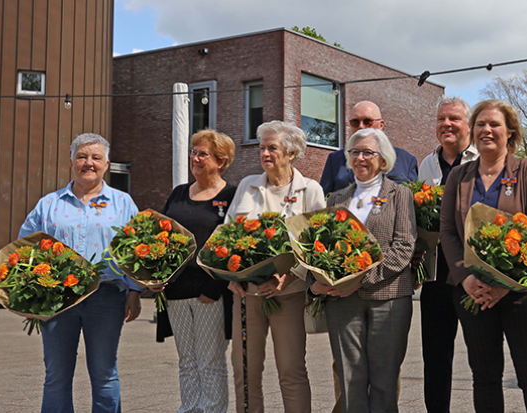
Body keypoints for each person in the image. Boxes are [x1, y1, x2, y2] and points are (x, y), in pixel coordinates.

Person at [439, 99, 527, 413]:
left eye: (494, 124)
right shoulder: (458, 177)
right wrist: (465, 277)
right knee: (485, 376)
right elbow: (448, 230)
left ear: (510, 132)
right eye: (480, 124)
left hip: (522, 294)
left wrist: (507, 283)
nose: (486, 130)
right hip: (472, 293)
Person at [19, 133, 143, 413]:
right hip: (57, 300)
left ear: (107, 163)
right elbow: (26, 249)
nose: (89, 163)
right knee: (56, 375)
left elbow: (136, 253)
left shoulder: (123, 204)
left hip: (107, 297)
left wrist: (135, 291)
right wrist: (28, 298)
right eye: (82, 157)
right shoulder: (49, 204)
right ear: (71, 162)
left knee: (104, 373)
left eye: (96, 158)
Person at [308, 128, 416, 413]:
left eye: (368, 152)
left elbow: (404, 247)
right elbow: (319, 249)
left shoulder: (399, 194)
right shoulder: (335, 199)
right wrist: (317, 282)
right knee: (350, 380)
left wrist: (360, 280)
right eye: (355, 152)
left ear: (383, 159)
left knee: (384, 381)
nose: (360, 158)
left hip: (389, 299)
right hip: (343, 302)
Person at [226, 121, 325, 413]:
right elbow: (228, 234)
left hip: (289, 295)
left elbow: (315, 244)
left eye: (272, 147)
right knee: (244, 370)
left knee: (291, 371)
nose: (265, 153)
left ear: (292, 153)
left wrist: (288, 276)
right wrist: (230, 274)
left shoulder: (311, 190)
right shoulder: (247, 185)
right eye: (262, 147)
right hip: (246, 297)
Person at [153, 129, 236, 413]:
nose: (195, 158)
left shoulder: (231, 195)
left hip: (209, 293)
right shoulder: (178, 193)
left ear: (221, 161)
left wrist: (215, 288)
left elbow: (234, 247)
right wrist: (154, 277)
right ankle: (189, 409)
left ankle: (213, 410)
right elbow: (160, 238)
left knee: (211, 361)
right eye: (193, 151)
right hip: (176, 291)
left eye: (203, 153)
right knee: (186, 360)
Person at [416, 95, 478, 413]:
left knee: (482, 357)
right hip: (436, 276)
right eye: (441, 119)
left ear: (468, 124)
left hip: (472, 275)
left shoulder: (482, 159)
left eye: (454, 118)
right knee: (436, 358)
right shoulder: (426, 164)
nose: (446, 124)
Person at [319, 101, 419, 194]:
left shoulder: (406, 160)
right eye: (355, 122)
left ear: (381, 125)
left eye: (367, 121)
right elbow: (325, 201)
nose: (361, 126)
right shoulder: (335, 160)